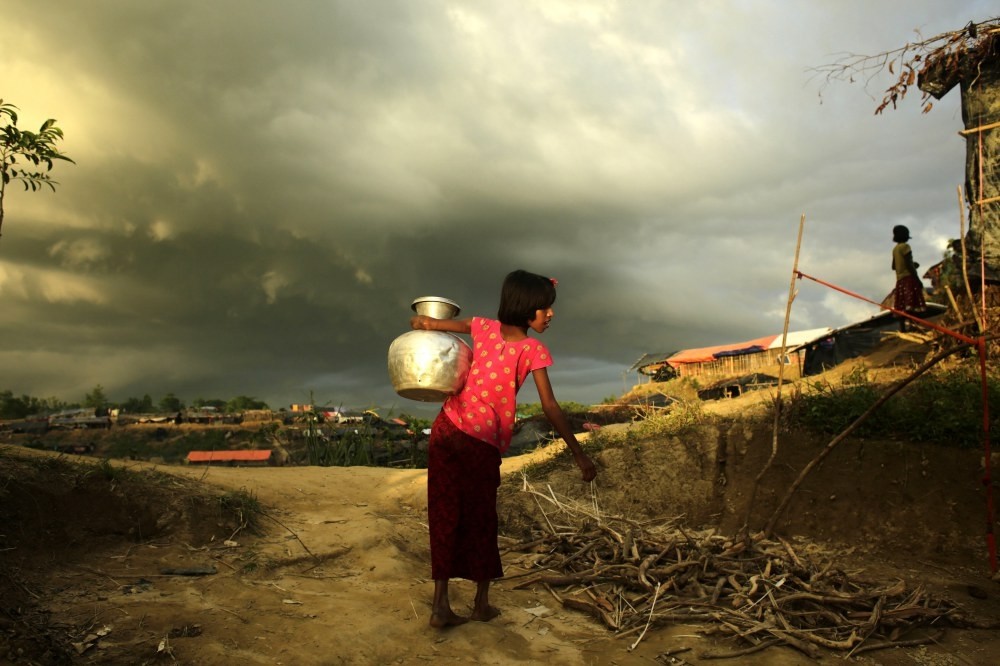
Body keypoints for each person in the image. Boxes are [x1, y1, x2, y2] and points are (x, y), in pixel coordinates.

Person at [410, 269, 597, 629]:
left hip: (446, 428)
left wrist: (424, 321)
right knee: (481, 520)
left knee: (445, 513)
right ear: (528, 308)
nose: (551, 314)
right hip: (479, 444)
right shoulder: (532, 349)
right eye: (546, 308)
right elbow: (550, 407)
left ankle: (440, 606)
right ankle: (480, 605)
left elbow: (440, 326)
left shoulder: (484, 328)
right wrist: (578, 452)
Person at [891, 224, 926, 330]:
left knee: (902, 304)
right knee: (913, 303)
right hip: (909, 278)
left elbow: (893, 266)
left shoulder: (895, 249)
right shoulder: (906, 247)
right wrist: (917, 278)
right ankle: (913, 326)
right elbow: (909, 264)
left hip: (900, 280)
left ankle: (903, 328)